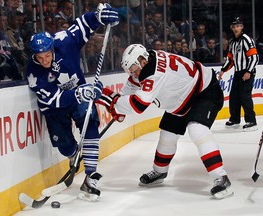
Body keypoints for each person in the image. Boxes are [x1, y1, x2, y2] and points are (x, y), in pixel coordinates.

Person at [97, 44, 233, 199]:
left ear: (142, 60)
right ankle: (160, 171)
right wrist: (119, 106)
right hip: (181, 98)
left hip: (204, 91)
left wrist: (114, 103)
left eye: (134, 68)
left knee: (197, 129)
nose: (132, 73)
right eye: (130, 70)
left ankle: (221, 177)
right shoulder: (145, 63)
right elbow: (128, 91)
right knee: (167, 135)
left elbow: (138, 105)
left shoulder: (154, 72)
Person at [26, 3, 119, 201]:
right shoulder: (33, 73)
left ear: (53, 47)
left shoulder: (64, 41)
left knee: (90, 120)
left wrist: (99, 17)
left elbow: (82, 25)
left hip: (79, 98)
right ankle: (73, 153)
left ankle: (90, 177)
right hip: (55, 108)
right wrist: (79, 93)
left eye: (48, 55)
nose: (45, 61)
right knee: (66, 147)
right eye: (40, 58)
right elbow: (52, 100)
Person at [218, 17, 259, 131]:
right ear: (232, 28)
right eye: (234, 26)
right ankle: (235, 120)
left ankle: (251, 121)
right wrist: (223, 70)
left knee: (245, 97)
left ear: (242, 27)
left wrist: (249, 71)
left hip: (247, 72)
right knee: (234, 97)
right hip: (238, 72)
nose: (236, 28)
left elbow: (254, 57)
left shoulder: (246, 39)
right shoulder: (232, 42)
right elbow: (230, 59)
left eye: (238, 26)